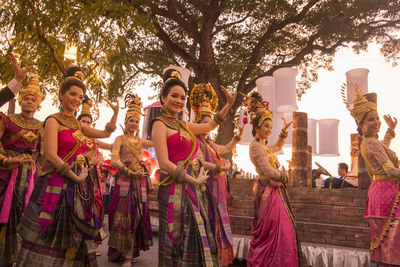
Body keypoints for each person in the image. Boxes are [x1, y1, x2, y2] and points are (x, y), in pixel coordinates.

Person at [16, 71, 118, 266]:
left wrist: (114, 114)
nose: (77, 100)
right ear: (61, 95)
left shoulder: (78, 125)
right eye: (72, 94)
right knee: (48, 233)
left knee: (75, 234)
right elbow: (51, 155)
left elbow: (105, 133)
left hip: (78, 188)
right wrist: (74, 175)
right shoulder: (53, 120)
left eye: (80, 97)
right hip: (55, 185)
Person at [151, 69, 236, 267]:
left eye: (182, 97)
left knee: (197, 234)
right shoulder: (159, 125)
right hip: (174, 188)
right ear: (163, 98)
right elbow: (163, 162)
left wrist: (228, 105)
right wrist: (193, 179)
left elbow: (209, 126)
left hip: (194, 188)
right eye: (174, 96)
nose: (179, 101)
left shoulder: (184, 125)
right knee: (175, 238)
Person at [344, 89, 400, 266]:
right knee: (392, 236)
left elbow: (383, 148)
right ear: (361, 125)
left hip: (380, 190)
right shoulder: (371, 143)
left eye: (377, 118)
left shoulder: (368, 142)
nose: (376, 122)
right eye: (371, 119)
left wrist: (390, 130)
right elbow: (390, 170)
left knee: (384, 239)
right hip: (387, 190)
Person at [189, 82, 242, 266]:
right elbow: (200, 163)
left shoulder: (211, 144)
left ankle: (214, 260)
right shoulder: (195, 142)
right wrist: (219, 168)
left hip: (215, 191)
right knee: (207, 224)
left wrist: (236, 138)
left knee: (216, 226)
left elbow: (226, 148)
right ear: (197, 125)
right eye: (204, 123)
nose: (207, 127)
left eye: (208, 124)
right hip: (203, 190)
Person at [244, 92, 300, 267]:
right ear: (258, 126)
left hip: (274, 190)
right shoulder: (255, 146)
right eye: (266, 125)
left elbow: (274, 148)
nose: (269, 129)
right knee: (274, 229)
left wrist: (282, 136)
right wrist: (284, 176)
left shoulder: (263, 146)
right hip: (266, 191)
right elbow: (267, 170)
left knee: (283, 228)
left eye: (270, 126)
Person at [0, 74, 44, 265]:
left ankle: (18, 258)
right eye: (26, 98)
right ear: (20, 100)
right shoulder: (7, 120)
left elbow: (44, 154)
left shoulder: (42, 126)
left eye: (33, 100)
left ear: (38, 105)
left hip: (30, 178)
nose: (29, 102)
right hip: (4, 173)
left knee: (24, 219)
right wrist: (5, 160)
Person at [107, 94, 153, 267]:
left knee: (138, 216)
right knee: (124, 217)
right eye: (131, 120)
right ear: (126, 122)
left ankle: (130, 252)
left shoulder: (140, 141)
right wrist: (129, 171)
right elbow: (113, 161)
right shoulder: (120, 139)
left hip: (140, 183)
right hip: (125, 182)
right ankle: (124, 253)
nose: (134, 123)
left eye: (136, 121)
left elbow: (157, 142)